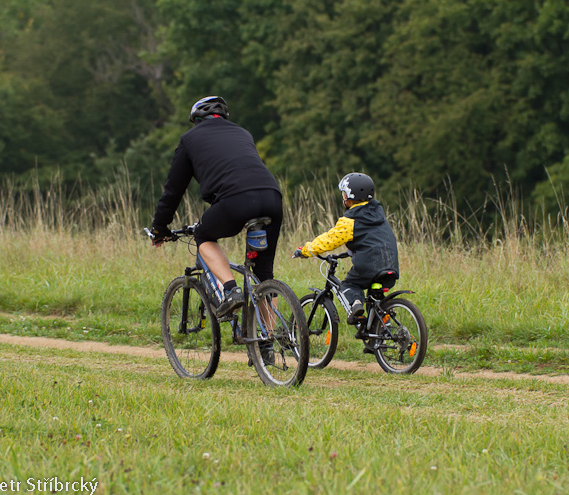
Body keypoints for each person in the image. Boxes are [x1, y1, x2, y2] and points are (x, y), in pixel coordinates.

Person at [150, 96, 283, 318]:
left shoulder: (189, 139)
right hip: (272, 197)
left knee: (202, 234)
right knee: (263, 273)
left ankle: (231, 291)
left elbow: (173, 191)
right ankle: (268, 343)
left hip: (236, 200)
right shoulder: (243, 133)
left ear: (196, 119)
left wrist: (159, 228)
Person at [293, 173, 399, 324]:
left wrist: (306, 250)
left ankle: (356, 305)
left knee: (350, 285)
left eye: (343, 194)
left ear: (348, 197)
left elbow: (330, 240)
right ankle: (380, 333)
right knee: (376, 300)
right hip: (391, 264)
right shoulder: (378, 214)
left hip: (370, 265)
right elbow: (373, 239)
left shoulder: (352, 219)